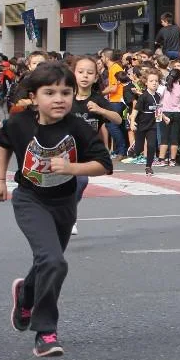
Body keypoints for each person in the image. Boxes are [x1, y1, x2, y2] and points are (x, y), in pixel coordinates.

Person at [0, 62, 112, 358]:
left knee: (49, 261)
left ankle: (26, 295)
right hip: (30, 199)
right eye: (50, 93)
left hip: (64, 202)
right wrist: (0, 179)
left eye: (66, 93)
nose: (59, 99)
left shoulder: (77, 127)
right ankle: (45, 331)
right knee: (54, 261)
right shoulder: (19, 123)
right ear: (33, 97)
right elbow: (4, 145)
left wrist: (72, 168)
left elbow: (104, 164)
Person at [69, 55, 122, 233]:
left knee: (81, 181)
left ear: (96, 77)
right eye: (80, 72)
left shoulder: (98, 100)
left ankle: (69, 215)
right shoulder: (66, 97)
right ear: (74, 74)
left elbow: (118, 119)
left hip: (86, 152)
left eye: (89, 73)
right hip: (64, 149)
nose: (85, 76)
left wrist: (101, 110)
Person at [126, 69, 161, 175]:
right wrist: (132, 122)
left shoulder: (158, 96)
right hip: (141, 124)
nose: (154, 83)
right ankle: (134, 148)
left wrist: (164, 118)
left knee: (151, 145)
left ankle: (148, 166)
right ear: (146, 83)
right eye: (151, 81)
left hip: (152, 125)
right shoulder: (143, 96)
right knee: (139, 149)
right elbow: (135, 110)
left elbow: (158, 109)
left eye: (156, 81)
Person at [155, 68, 180, 166]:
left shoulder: (162, 87)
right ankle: (172, 160)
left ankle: (161, 159)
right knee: (174, 137)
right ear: (179, 78)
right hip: (177, 113)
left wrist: (158, 114)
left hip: (164, 113)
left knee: (164, 137)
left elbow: (156, 101)